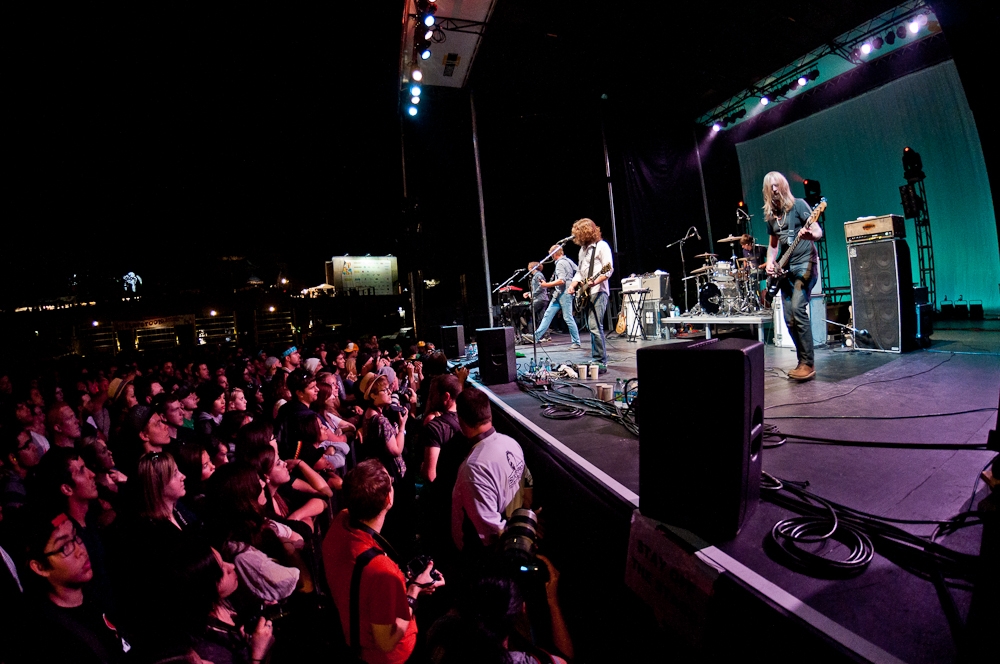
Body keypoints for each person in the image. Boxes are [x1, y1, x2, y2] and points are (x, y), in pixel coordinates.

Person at [322, 459, 444, 664]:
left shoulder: (341, 521)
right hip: (389, 657)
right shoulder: (381, 570)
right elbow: (386, 641)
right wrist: (413, 591)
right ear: (389, 499)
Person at [451, 387, 529, 554]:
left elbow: (492, 531)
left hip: (484, 555)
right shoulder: (510, 443)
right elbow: (526, 485)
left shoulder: (473, 468)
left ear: (461, 421)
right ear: (489, 413)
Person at [762, 171, 823, 381]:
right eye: (771, 187)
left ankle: (809, 362)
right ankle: (802, 361)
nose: (775, 190)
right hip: (785, 270)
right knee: (789, 319)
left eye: (777, 185)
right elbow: (773, 247)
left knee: (798, 308)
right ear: (767, 192)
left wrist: (811, 234)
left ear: (784, 186)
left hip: (805, 263)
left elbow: (817, 230)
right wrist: (771, 262)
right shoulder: (771, 218)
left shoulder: (799, 205)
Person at [568, 217, 614, 364]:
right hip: (587, 292)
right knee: (591, 325)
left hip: (599, 290)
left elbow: (608, 269)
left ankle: (600, 360)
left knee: (595, 325)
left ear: (585, 232)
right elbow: (580, 272)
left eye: (578, 232)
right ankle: (596, 357)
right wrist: (573, 285)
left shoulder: (602, 246)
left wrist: (595, 281)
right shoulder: (582, 251)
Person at [525, 245, 581, 349]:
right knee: (547, 315)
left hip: (564, 293)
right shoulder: (568, 261)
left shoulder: (560, 263)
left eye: (551, 254)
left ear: (554, 254)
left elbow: (561, 280)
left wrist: (546, 285)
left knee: (567, 317)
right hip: (559, 293)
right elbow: (578, 271)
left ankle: (576, 342)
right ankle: (536, 337)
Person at [522, 261, 550, 337]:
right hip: (542, 298)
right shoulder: (537, 275)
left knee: (528, 312)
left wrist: (532, 294)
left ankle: (531, 333)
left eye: (529, 268)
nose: (528, 270)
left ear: (532, 268)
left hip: (540, 299)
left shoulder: (538, 275)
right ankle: (546, 335)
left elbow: (542, 286)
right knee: (542, 318)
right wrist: (529, 293)